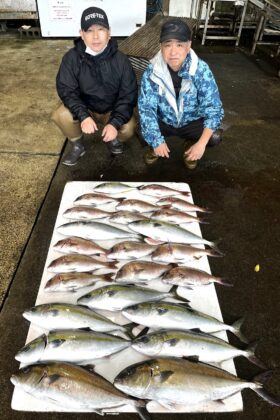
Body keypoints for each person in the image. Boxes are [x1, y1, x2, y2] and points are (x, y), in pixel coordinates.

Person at [52, 7, 138, 166]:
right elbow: (67, 90)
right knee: (61, 115)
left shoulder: (121, 60)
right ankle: (77, 145)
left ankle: (114, 139)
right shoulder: (71, 58)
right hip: (86, 108)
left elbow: (128, 95)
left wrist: (114, 123)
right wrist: (83, 115)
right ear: (81, 34)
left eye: (101, 29)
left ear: (109, 32)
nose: (96, 36)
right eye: (90, 30)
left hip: (111, 109)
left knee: (128, 127)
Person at [138, 19, 224, 169]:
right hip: (164, 120)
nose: (173, 52)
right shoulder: (151, 72)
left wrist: (201, 144)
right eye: (168, 45)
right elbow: (146, 109)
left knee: (214, 136)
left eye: (179, 44)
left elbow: (214, 110)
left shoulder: (201, 70)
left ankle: (191, 147)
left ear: (188, 45)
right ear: (161, 47)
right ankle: (155, 148)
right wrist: (156, 140)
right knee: (141, 129)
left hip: (191, 122)